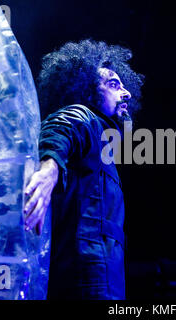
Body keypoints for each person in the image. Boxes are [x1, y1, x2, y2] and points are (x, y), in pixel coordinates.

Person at [22, 39, 144, 299]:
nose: (126, 93)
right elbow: (63, 128)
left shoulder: (101, 144)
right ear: (87, 90)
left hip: (100, 276)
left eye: (124, 86)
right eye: (113, 84)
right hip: (87, 278)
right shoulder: (84, 116)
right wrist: (49, 170)